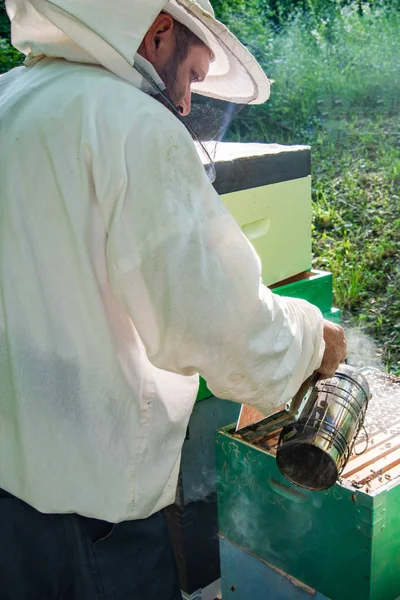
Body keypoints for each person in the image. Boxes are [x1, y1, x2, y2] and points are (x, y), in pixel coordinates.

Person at [0, 0, 346, 598]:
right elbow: (214, 323)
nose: (185, 102)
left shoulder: (12, 98)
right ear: (159, 33)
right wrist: (313, 334)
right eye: (190, 75)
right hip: (92, 523)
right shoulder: (129, 123)